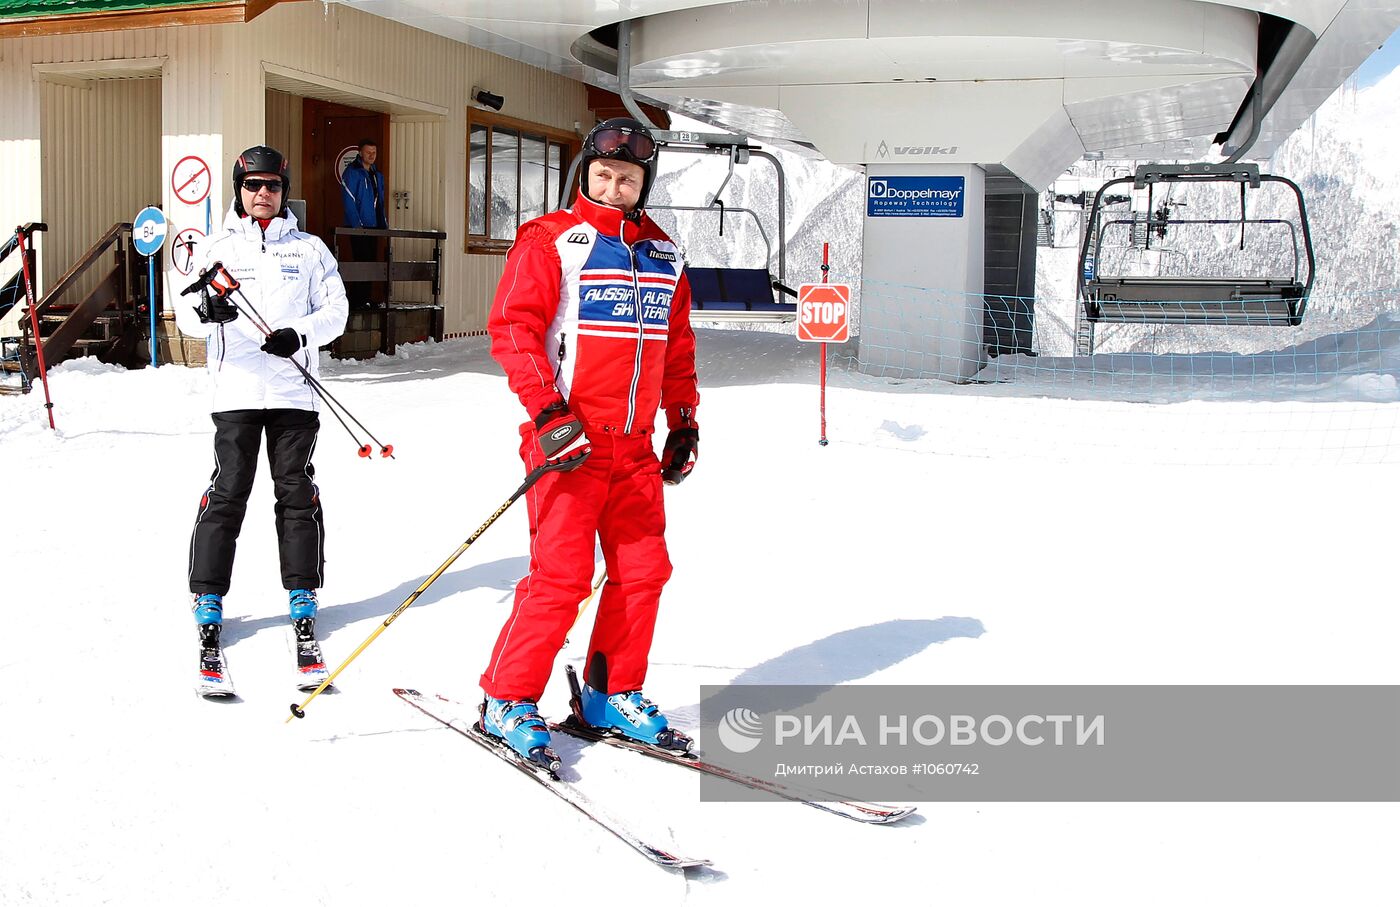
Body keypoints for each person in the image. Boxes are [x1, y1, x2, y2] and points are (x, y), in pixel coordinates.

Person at [479, 117, 701, 767]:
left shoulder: (663, 254)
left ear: (644, 183)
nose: (613, 186)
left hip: (633, 448)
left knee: (643, 571)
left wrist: (682, 419)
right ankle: (507, 697)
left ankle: (609, 692)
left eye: (627, 178)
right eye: (602, 175)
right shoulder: (552, 240)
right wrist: (549, 413)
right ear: (585, 173)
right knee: (562, 577)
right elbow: (515, 330)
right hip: (568, 440)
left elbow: (678, 348)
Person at [174, 145, 349, 678]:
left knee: (295, 493)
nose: (262, 195)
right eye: (252, 186)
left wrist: (300, 334)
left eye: (271, 185)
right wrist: (209, 311)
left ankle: (301, 594)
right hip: (238, 392)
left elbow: (336, 311)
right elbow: (186, 314)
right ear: (239, 190)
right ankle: (208, 597)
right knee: (229, 492)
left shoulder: (311, 249)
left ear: (284, 189)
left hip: (294, 393)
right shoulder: (217, 247)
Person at [340, 139, 387, 307]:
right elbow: (348, 199)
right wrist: (356, 224)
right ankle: (356, 300)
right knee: (360, 262)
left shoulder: (376, 174)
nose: (372, 156)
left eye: (374, 152)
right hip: (358, 226)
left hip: (373, 226)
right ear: (360, 153)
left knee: (372, 262)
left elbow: (380, 201)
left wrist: (383, 223)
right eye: (368, 152)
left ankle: (366, 298)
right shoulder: (352, 173)